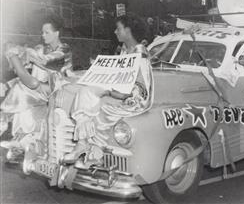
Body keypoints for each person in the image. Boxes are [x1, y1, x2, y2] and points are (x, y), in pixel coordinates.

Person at [61, 13, 153, 166]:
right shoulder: (123, 50)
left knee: (96, 104)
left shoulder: (140, 53)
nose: (115, 32)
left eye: (118, 29)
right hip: (119, 93)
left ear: (128, 30)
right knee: (85, 92)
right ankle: (84, 146)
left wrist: (111, 92)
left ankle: (91, 151)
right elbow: (116, 75)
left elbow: (140, 87)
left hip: (133, 99)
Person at [0, 16, 72, 151]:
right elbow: (28, 72)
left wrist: (21, 51)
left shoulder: (64, 49)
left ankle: (4, 120)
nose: (43, 35)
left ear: (57, 33)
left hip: (60, 88)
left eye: (47, 32)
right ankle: (21, 136)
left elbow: (45, 61)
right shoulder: (40, 49)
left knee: (22, 88)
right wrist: (7, 84)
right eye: (42, 32)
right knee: (20, 89)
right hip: (43, 88)